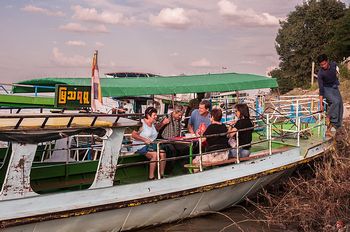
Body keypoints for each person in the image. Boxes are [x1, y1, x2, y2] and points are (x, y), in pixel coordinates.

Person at [131, 106, 166, 180]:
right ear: (148, 115)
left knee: (163, 153)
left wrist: (163, 123)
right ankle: (151, 177)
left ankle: (161, 175)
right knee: (155, 155)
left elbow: (156, 130)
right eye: (154, 115)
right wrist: (144, 140)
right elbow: (134, 135)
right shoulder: (141, 124)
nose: (156, 117)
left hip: (150, 145)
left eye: (156, 115)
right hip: (140, 146)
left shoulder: (152, 124)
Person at [317, 54, 343, 133]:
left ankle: (338, 126)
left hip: (334, 87)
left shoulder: (333, 65)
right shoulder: (320, 74)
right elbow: (321, 90)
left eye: (324, 64)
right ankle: (328, 117)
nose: (323, 66)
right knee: (336, 101)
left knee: (340, 105)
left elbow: (336, 66)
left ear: (327, 61)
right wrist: (321, 104)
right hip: (326, 89)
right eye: (321, 65)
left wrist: (337, 71)